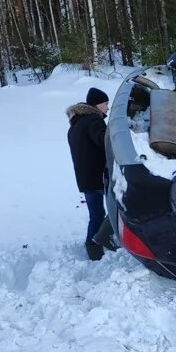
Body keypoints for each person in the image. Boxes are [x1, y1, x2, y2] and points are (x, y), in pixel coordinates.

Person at [66, 86, 113, 260]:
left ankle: (93, 245)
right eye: (105, 104)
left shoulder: (76, 124)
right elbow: (104, 140)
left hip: (86, 178)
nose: (107, 107)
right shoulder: (94, 120)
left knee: (97, 213)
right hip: (98, 176)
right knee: (117, 209)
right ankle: (101, 241)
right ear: (97, 104)